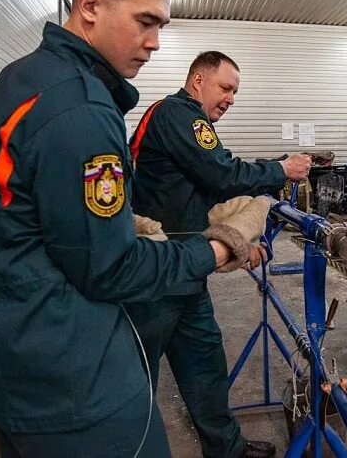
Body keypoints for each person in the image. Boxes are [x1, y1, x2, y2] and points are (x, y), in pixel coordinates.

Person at [0, 0, 267, 458]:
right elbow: (110, 268)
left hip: (10, 344)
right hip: (66, 368)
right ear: (90, 7)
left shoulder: (21, 77)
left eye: (160, 27)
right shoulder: (82, 106)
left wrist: (123, 221)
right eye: (145, 21)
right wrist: (217, 249)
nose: (154, 42)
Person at [126, 51, 312, 458]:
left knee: (205, 365)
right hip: (157, 271)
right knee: (134, 379)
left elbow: (209, 189)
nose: (230, 98)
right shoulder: (182, 115)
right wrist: (282, 169)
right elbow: (224, 173)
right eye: (225, 88)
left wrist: (242, 236)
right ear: (198, 81)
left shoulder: (180, 121)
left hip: (187, 269)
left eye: (235, 93)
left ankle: (227, 450)